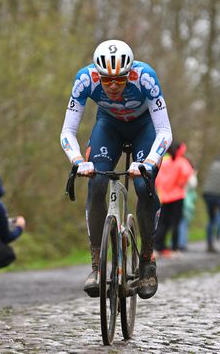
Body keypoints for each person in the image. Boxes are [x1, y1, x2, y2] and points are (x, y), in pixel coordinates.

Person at [59, 39, 172, 299]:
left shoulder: (145, 78)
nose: (111, 86)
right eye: (106, 79)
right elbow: (68, 130)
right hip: (108, 126)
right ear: (97, 74)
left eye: (119, 80)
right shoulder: (85, 79)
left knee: (144, 186)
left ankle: (146, 260)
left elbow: (164, 130)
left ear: (129, 73)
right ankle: (97, 266)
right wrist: (77, 161)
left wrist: (149, 162)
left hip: (145, 128)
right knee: (96, 183)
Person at [155, 142, 193, 257]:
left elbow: (157, 178)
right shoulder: (181, 162)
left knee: (162, 223)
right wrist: (181, 183)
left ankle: (158, 248)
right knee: (175, 223)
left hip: (164, 197)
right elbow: (188, 173)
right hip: (177, 196)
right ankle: (175, 249)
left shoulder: (164, 162)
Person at [177, 169, 198, 251]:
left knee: (177, 222)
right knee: (183, 222)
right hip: (184, 201)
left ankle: (177, 243)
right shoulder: (189, 175)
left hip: (174, 199)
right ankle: (181, 243)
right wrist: (193, 175)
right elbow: (193, 184)